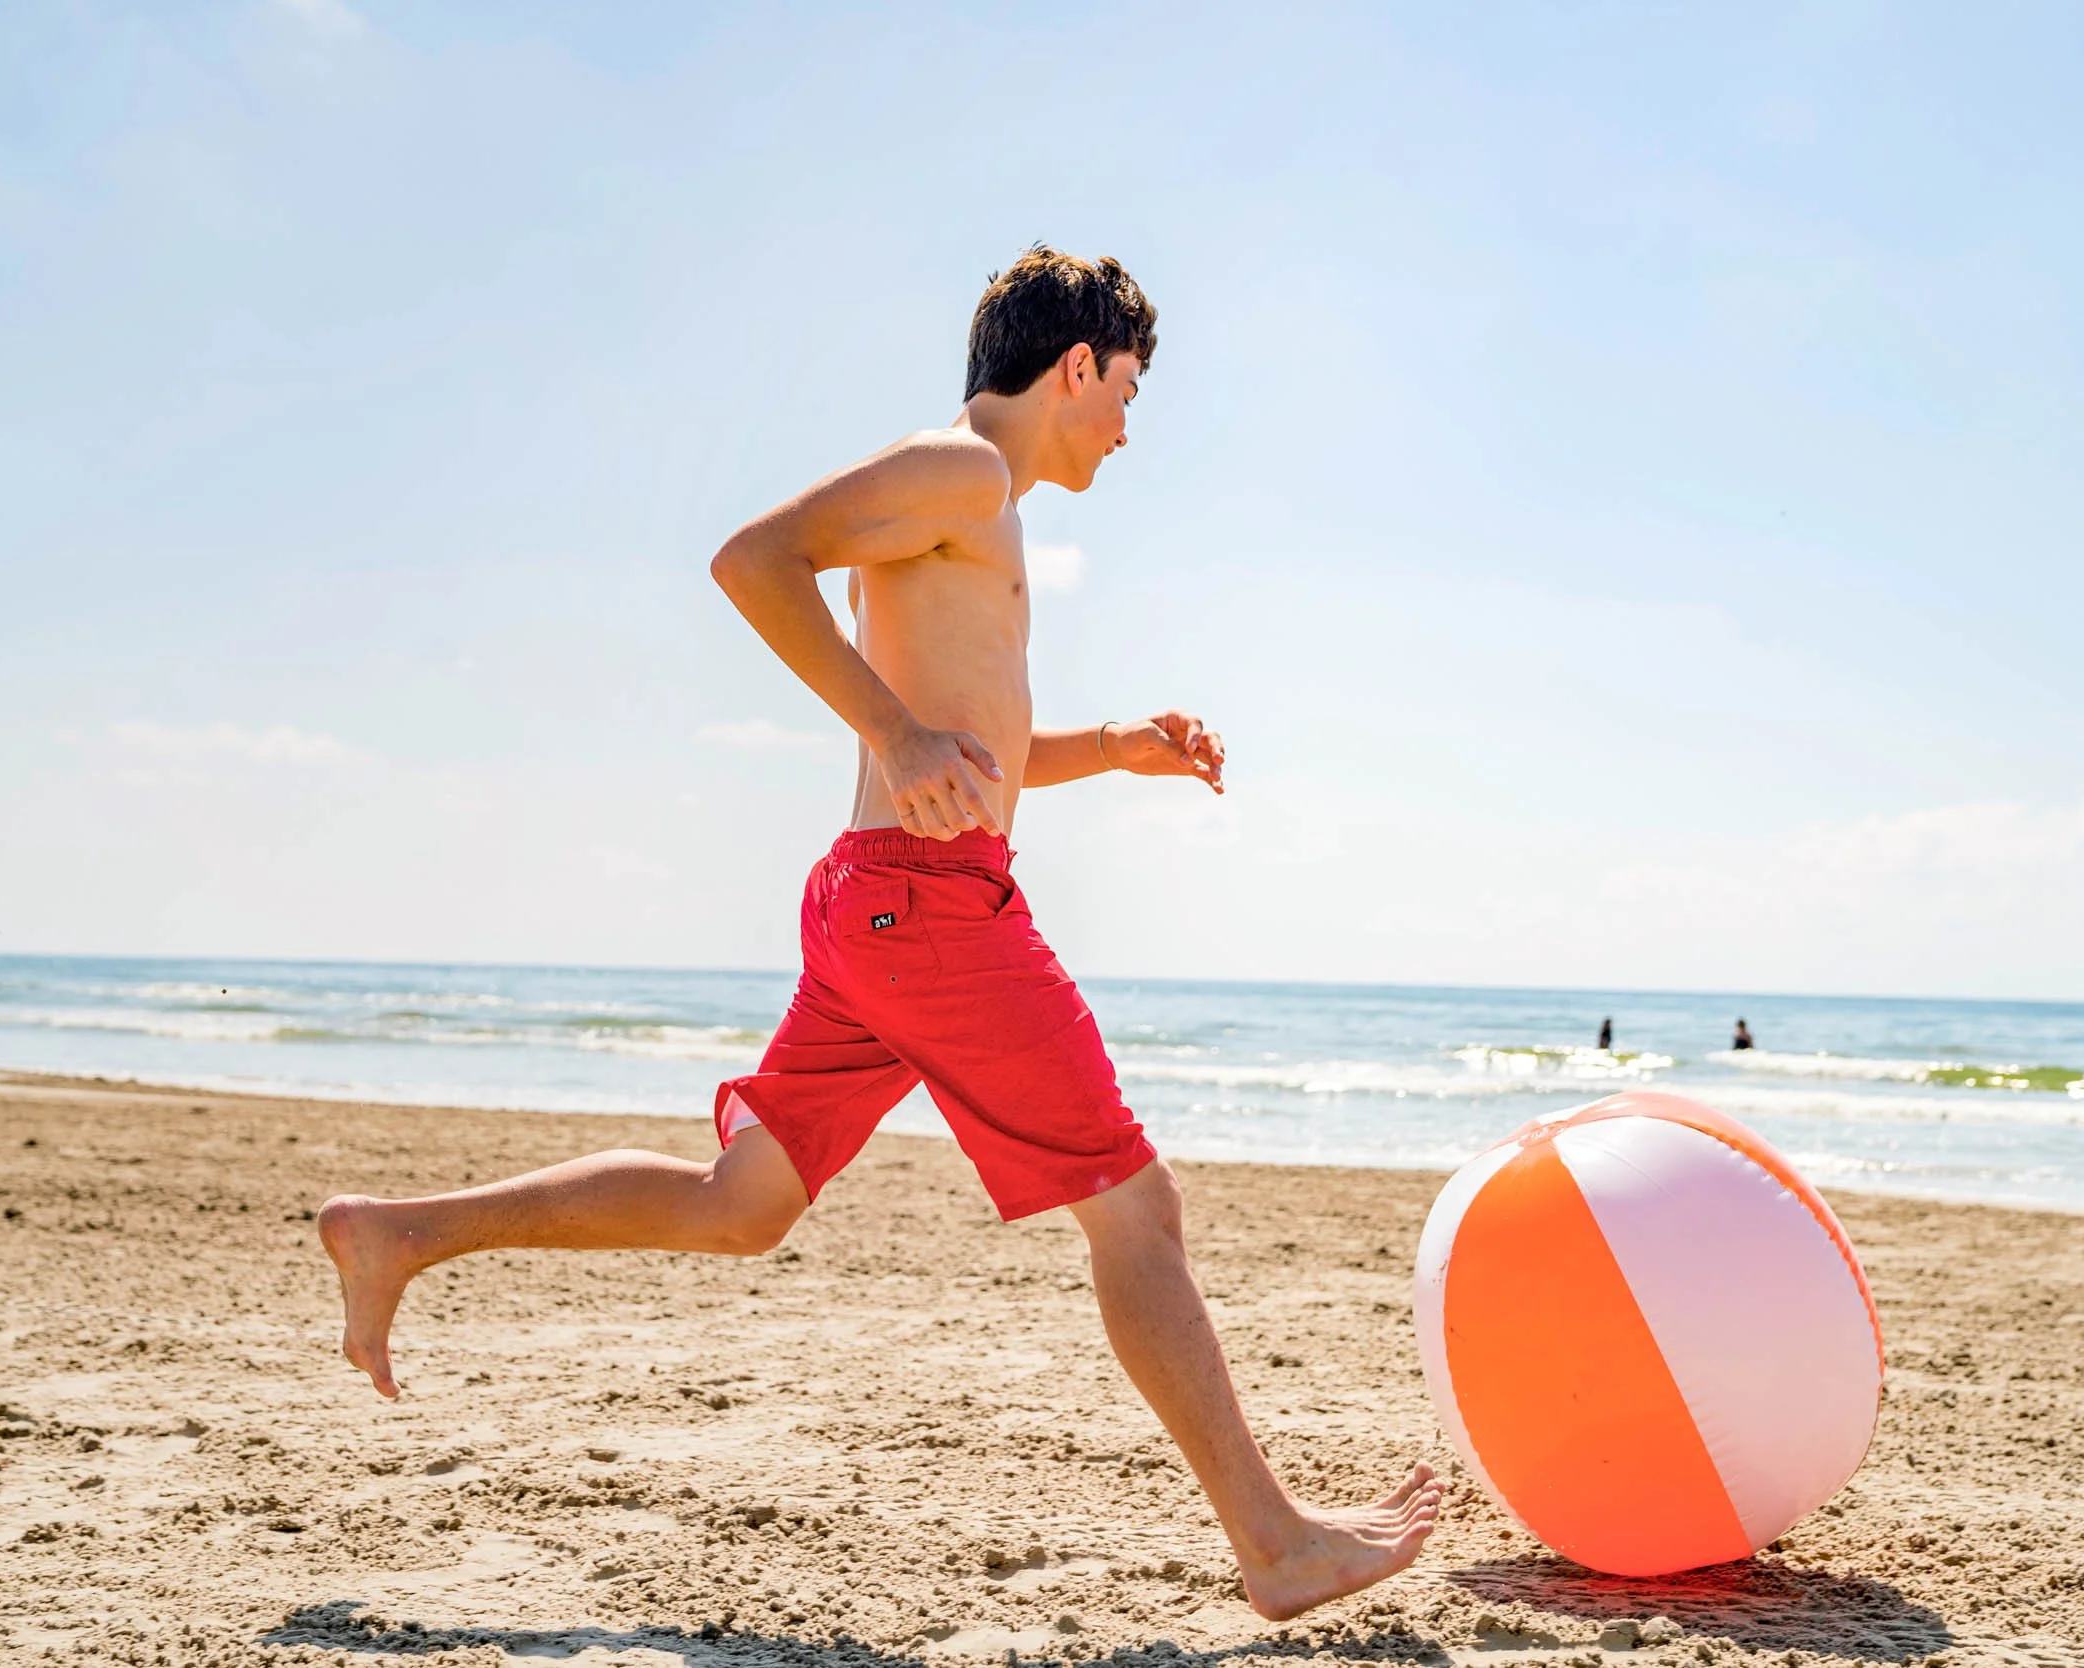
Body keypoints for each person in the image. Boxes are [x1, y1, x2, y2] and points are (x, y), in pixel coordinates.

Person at [312, 248, 1439, 1620]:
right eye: (1128, 391)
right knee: (1137, 1212)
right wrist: (892, 731)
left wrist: (1117, 746)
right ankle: (1276, 1544)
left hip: (883, 903)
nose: (1131, 428)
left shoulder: (984, 505)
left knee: (740, 1207)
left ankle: (400, 1236)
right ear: (1074, 366)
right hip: (927, 909)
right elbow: (752, 559)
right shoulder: (962, 470)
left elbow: (977, 750)